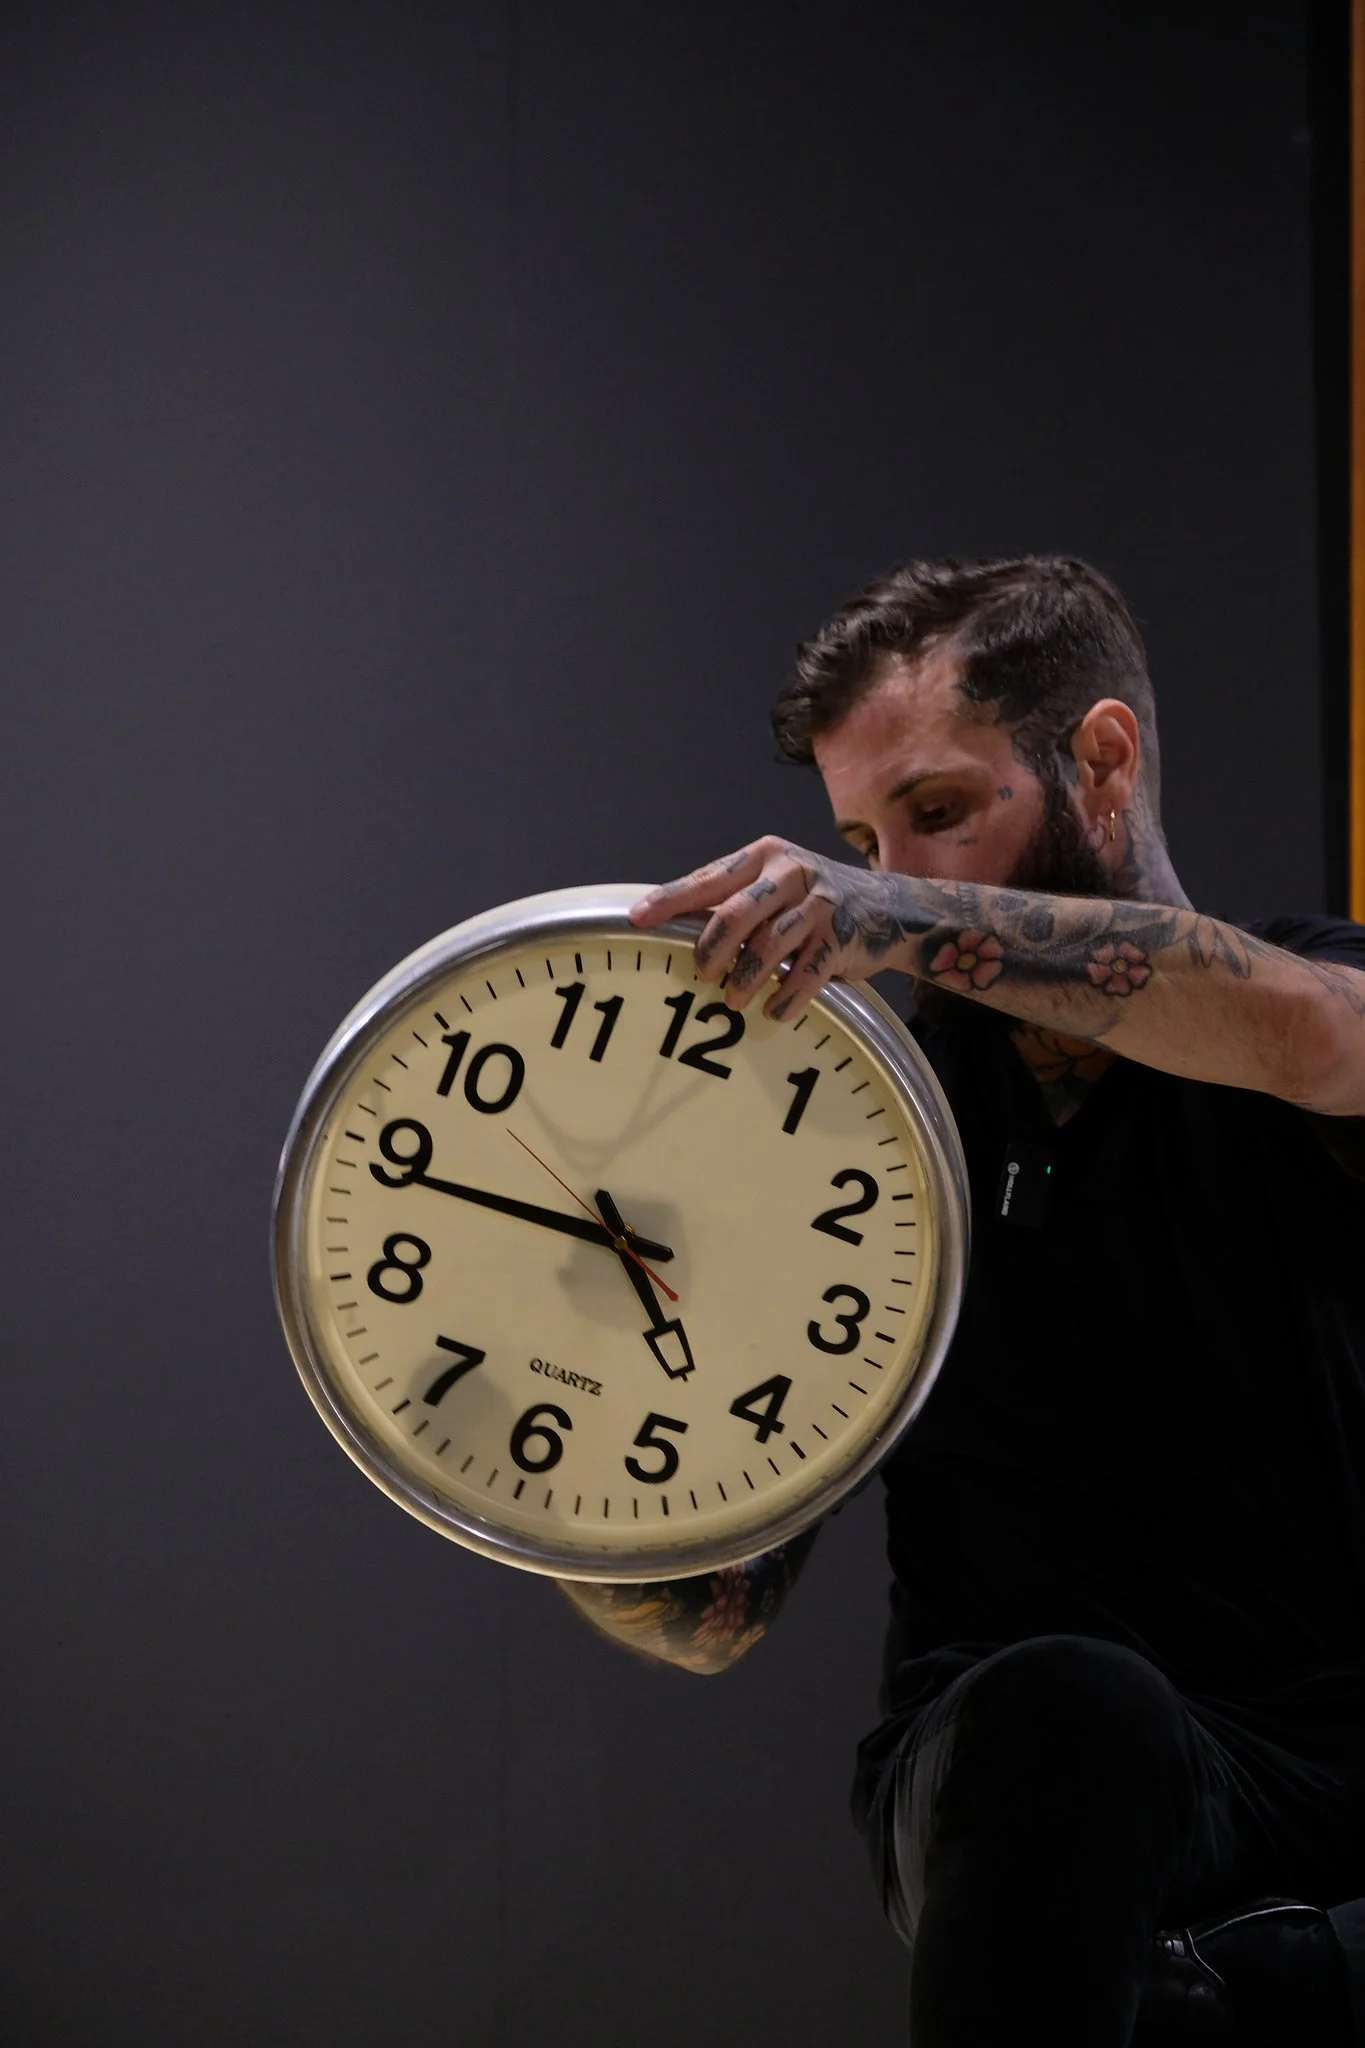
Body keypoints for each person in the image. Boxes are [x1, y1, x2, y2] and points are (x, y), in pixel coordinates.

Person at [558, 556, 1365, 2046]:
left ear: (1102, 764)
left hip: (1328, 1769)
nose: (883, 873)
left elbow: (1309, 1041)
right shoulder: (856, 1145)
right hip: (1003, 1754)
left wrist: (887, 912)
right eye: (861, 841)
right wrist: (564, 1442)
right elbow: (715, 1614)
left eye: (935, 812)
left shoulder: (1317, 997)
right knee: (1072, 1706)